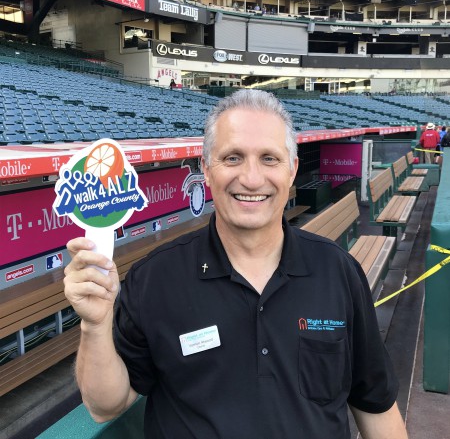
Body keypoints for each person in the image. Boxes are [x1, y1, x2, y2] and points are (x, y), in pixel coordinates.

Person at [64, 90, 408, 438]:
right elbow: (106, 405)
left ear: (291, 170)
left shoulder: (338, 271)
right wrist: (95, 325)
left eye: (269, 159)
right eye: (232, 158)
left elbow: (376, 407)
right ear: (206, 170)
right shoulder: (155, 279)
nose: (252, 179)